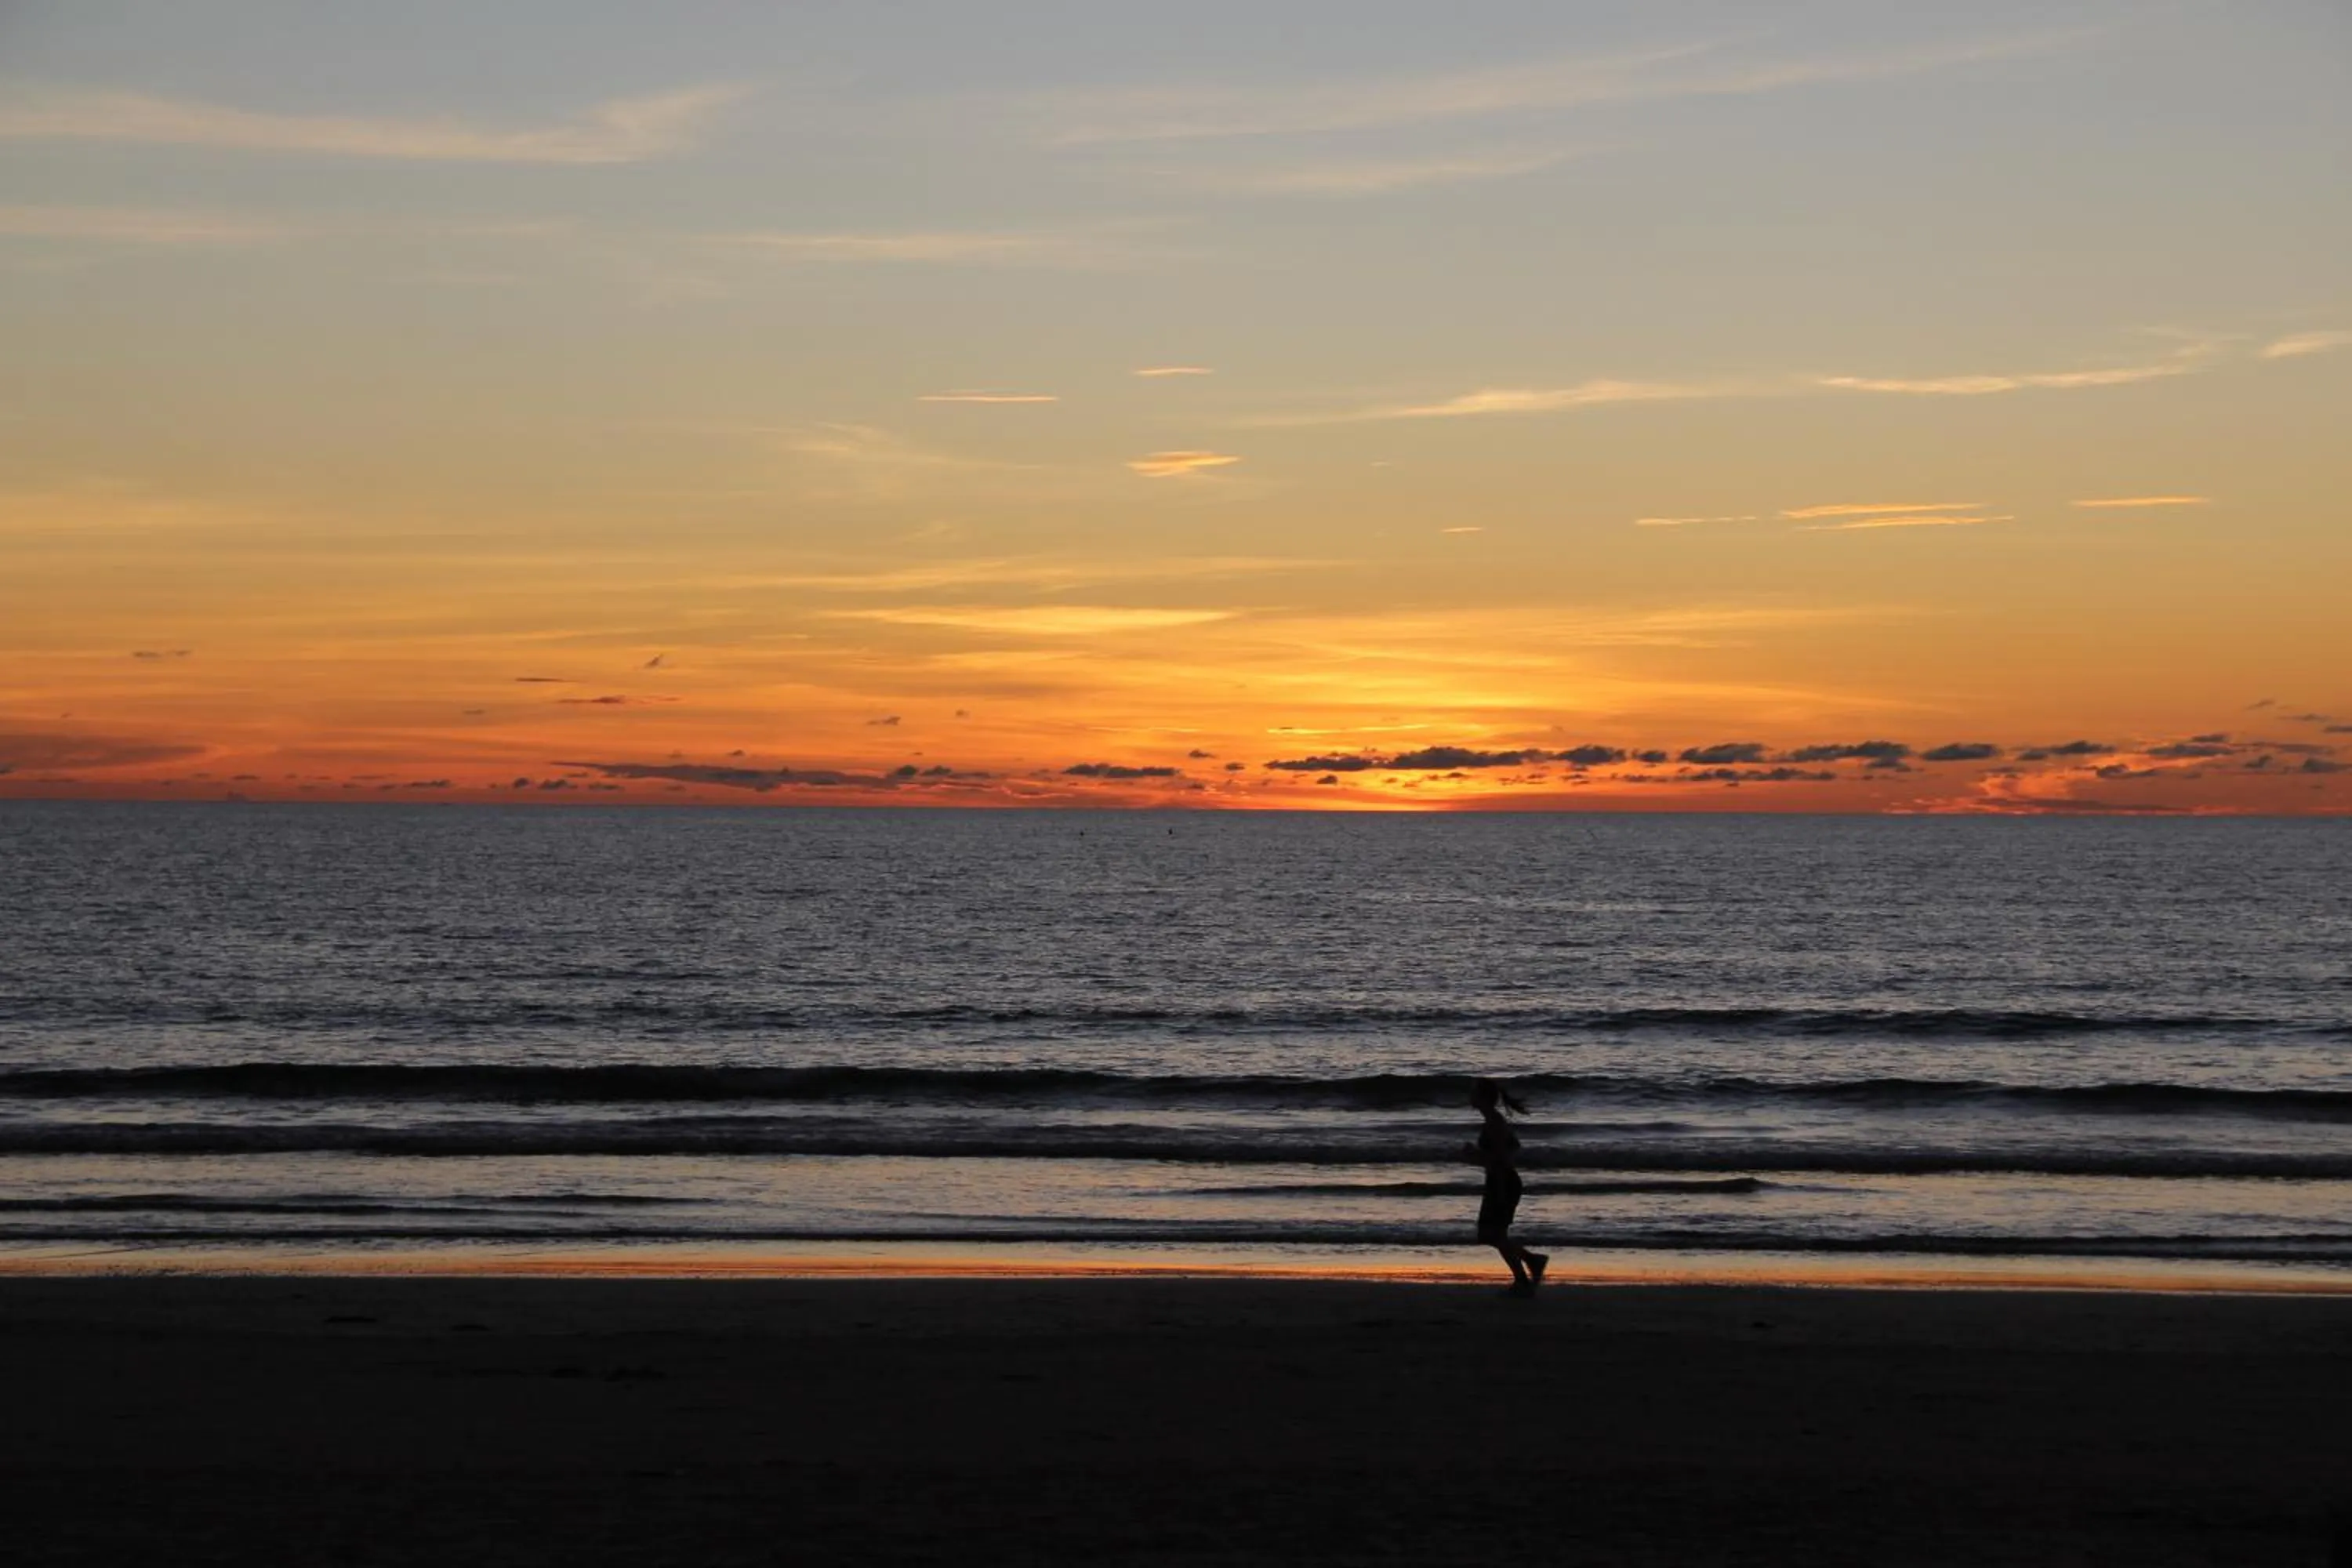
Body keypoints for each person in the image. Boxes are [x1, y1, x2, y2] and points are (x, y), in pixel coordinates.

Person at [1467, 1078, 1548, 1294]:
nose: (1470, 1096)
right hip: (1499, 1180)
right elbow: (1513, 1146)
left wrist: (1476, 1155)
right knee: (1492, 1234)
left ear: (1482, 1098)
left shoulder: (1494, 1122)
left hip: (1502, 1181)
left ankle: (1525, 1276)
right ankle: (1531, 1264)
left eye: (1473, 1092)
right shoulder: (1494, 1121)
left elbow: (1501, 1158)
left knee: (1493, 1234)